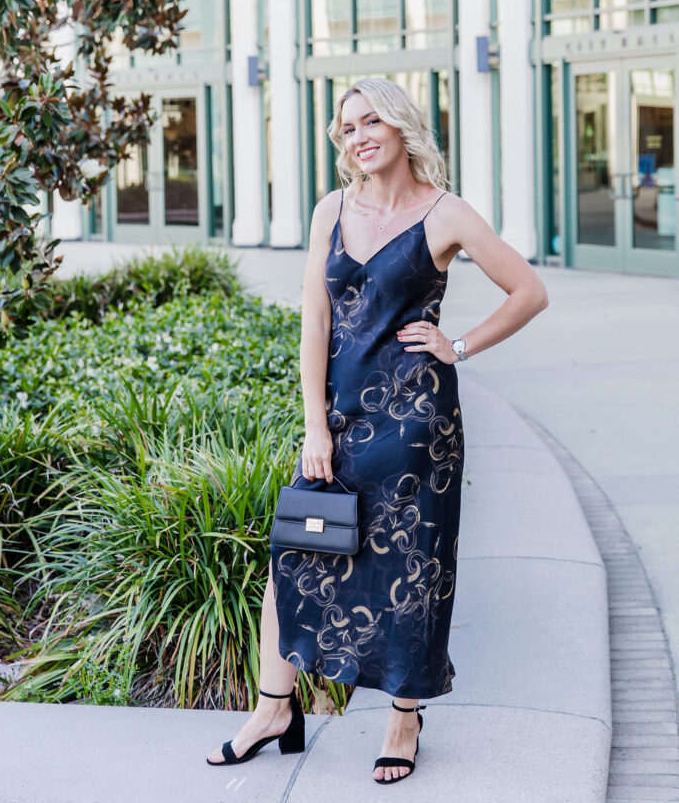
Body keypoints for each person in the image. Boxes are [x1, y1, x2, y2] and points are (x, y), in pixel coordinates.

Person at [207, 77, 549, 784]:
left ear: (400, 127)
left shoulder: (446, 215)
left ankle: (402, 716)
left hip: (415, 423)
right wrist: (314, 425)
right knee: (293, 555)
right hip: (337, 418)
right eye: (346, 127)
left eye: (370, 122)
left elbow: (529, 291)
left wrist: (459, 345)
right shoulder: (331, 209)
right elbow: (315, 322)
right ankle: (275, 707)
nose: (357, 136)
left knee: (411, 569)